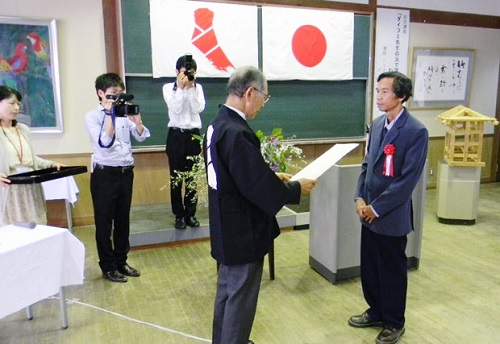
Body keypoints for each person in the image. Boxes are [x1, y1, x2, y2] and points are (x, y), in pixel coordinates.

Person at [203, 66, 317, 344]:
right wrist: (293, 188)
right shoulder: (237, 132)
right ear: (250, 92)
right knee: (241, 298)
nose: (263, 105)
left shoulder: (218, 123)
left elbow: (238, 176)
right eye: (263, 98)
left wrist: (271, 177)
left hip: (225, 224)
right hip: (242, 230)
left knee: (228, 293)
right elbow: (256, 187)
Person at [349, 71, 429, 344]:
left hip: (389, 217)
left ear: (401, 96)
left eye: (385, 91)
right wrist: (359, 198)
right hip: (367, 214)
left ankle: (394, 322)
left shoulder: (416, 131)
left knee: (392, 271)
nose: (379, 97)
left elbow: (407, 181)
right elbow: (366, 166)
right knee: (370, 267)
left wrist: (376, 208)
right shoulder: (377, 123)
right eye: (378, 91)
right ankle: (376, 311)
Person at [84, 73, 151, 283]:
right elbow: (103, 142)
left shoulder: (123, 115)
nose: (118, 99)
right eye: (113, 94)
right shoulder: (92, 117)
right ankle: (108, 266)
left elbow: (141, 135)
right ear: (100, 93)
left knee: (123, 220)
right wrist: (112, 117)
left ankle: (122, 261)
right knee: (104, 223)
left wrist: (137, 121)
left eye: (120, 94)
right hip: (105, 174)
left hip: (125, 173)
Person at [0, 86, 63, 226]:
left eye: (18, 104)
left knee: (36, 227)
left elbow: (30, 159)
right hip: (9, 190)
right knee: (14, 231)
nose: (16, 108)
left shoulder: (23, 129)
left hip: (30, 186)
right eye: (11, 103)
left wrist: (50, 164)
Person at [162, 54, 206, 229]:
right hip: (175, 136)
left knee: (192, 179)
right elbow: (176, 109)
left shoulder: (198, 88)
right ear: (176, 72)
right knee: (176, 179)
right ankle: (178, 215)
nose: (187, 75)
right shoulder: (168, 88)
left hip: (193, 135)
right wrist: (180, 88)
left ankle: (190, 214)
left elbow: (198, 109)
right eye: (184, 72)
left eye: (191, 72)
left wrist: (191, 88)